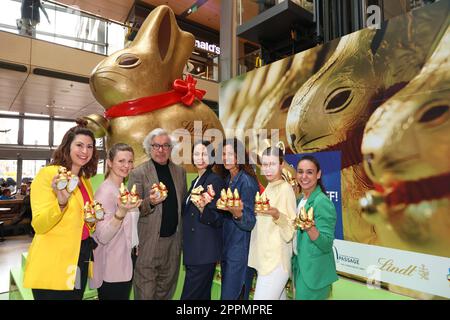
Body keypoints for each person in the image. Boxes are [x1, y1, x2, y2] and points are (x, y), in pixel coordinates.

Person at [23, 119, 99, 300]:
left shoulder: (85, 181)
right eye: (79, 145)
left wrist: (93, 221)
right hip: (53, 263)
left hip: (80, 259)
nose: (85, 151)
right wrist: (61, 204)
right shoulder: (48, 174)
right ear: (67, 147)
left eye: (90, 147)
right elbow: (39, 224)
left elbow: (84, 221)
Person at [128, 128, 187, 300]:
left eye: (165, 146)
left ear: (171, 148)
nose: (161, 150)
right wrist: (151, 202)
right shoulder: (138, 173)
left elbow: (182, 207)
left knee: (166, 293)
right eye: (156, 146)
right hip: (148, 244)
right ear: (149, 147)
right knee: (145, 295)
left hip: (173, 245)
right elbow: (133, 208)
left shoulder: (180, 172)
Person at [90, 143, 142, 300]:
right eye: (121, 161)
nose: (126, 166)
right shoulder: (105, 192)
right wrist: (121, 213)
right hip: (111, 266)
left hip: (126, 260)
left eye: (130, 161)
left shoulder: (122, 188)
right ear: (110, 163)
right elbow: (102, 236)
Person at [248, 146, 297, 299]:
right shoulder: (269, 187)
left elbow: (290, 230)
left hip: (275, 262)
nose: (268, 169)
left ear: (282, 164)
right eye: (265, 164)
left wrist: (277, 215)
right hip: (265, 259)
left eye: (273, 164)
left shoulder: (285, 189)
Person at [181, 140, 225, 300]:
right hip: (194, 251)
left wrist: (202, 209)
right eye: (197, 154)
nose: (200, 158)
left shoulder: (214, 181)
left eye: (205, 154)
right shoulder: (195, 182)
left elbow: (218, 218)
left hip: (204, 251)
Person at [292, 155, 338, 300]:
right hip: (300, 269)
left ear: (318, 174)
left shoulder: (322, 202)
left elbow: (326, 243)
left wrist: (309, 227)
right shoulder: (300, 200)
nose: (304, 176)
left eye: (309, 172)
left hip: (314, 276)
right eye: (300, 172)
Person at [219, 138, 259, 300]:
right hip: (228, 249)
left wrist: (237, 213)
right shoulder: (227, 180)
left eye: (230, 154)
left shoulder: (247, 182)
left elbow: (250, 222)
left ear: (239, 156)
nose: (226, 158)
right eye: (223, 154)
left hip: (240, 253)